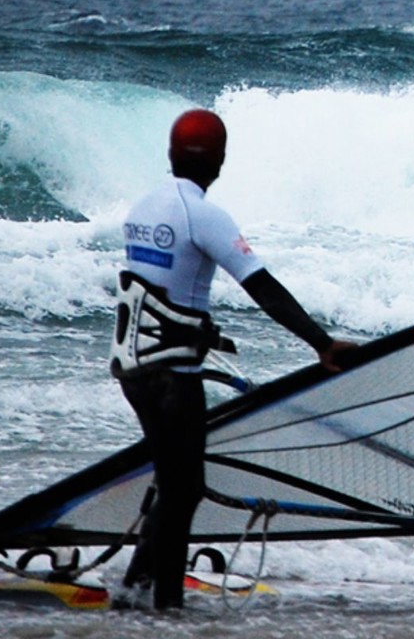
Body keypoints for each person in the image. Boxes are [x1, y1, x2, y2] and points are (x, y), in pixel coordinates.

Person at [109, 108, 355, 610]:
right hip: (174, 375)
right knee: (183, 492)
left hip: (133, 370)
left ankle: (135, 592)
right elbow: (262, 286)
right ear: (220, 161)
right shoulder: (205, 215)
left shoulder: (142, 207)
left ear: (170, 154)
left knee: (173, 484)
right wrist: (321, 343)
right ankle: (167, 609)